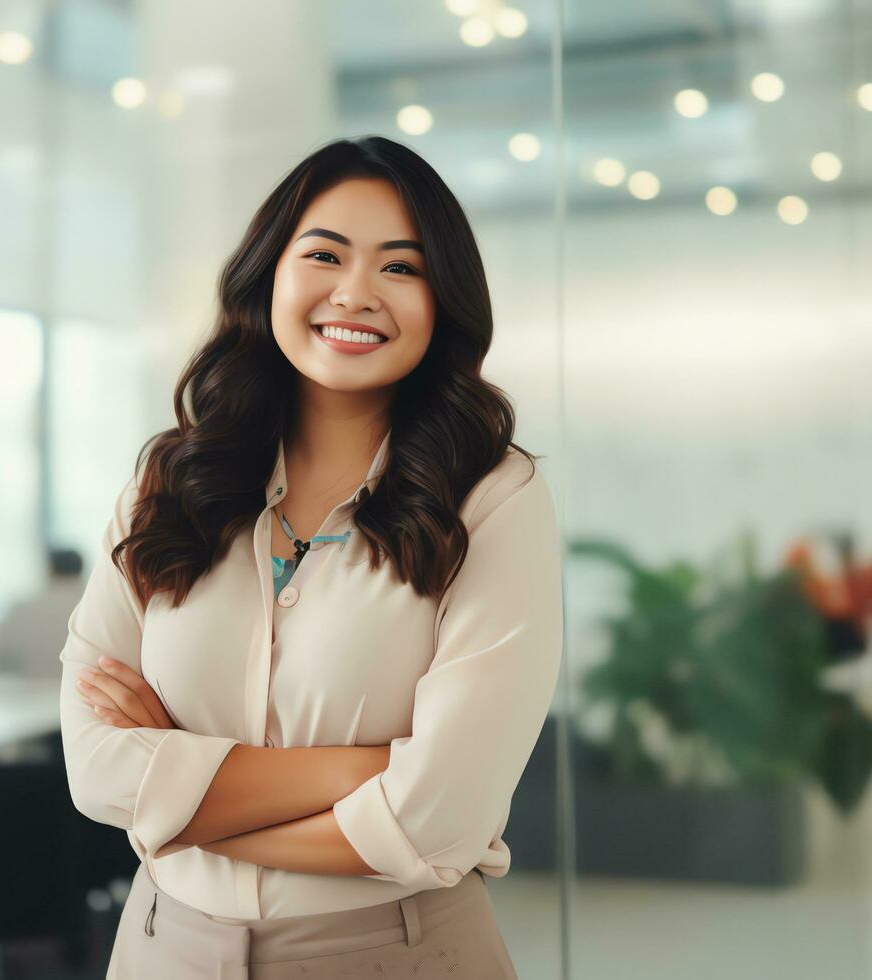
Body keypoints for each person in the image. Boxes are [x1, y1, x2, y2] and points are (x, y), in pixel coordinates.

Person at [60, 136, 562, 978]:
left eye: (401, 268)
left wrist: (174, 804)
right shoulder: (170, 480)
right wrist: (364, 770)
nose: (355, 293)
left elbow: (440, 817)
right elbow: (96, 771)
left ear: (445, 301)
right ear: (270, 276)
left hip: (394, 953)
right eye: (325, 254)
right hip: (162, 949)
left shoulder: (493, 497)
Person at [0, 548, 85, 677]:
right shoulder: (94, 609)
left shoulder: (22, 609)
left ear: (50, 570)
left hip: (29, 693)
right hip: (81, 693)